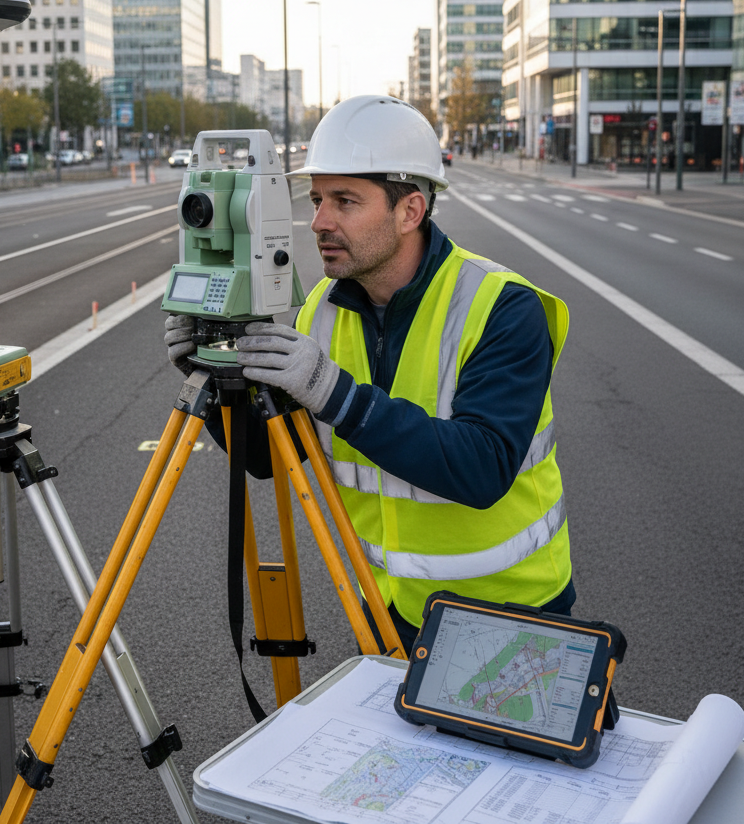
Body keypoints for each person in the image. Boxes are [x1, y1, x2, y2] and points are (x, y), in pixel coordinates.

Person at [165, 96, 574, 653]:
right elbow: (269, 458)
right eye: (317, 200)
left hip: (511, 615)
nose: (319, 222)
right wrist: (217, 384)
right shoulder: (319, 312)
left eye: (345, 201)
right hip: (386, 611)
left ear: (410, 211)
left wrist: (336, 394)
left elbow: (483, 469)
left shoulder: (502, 307)